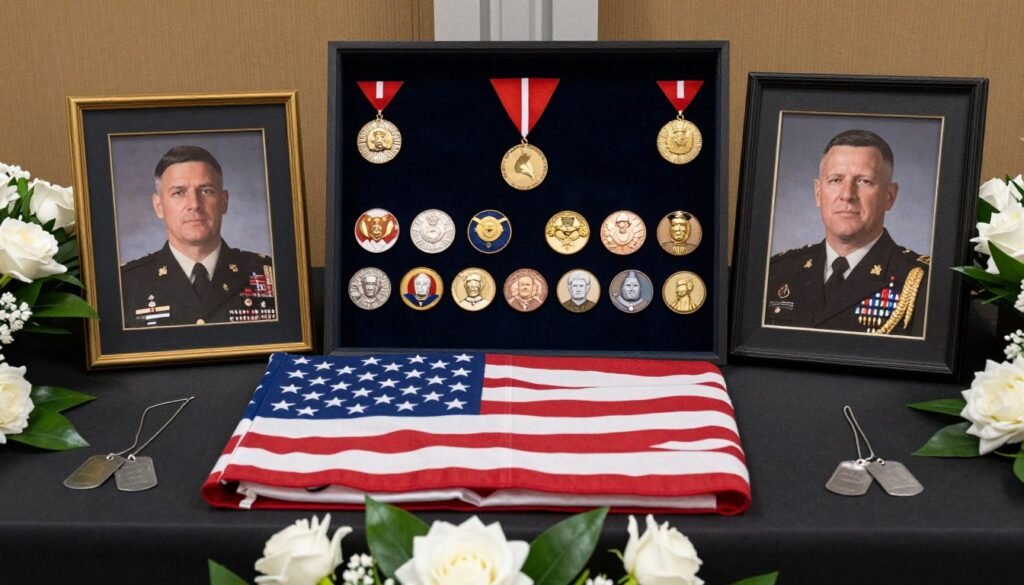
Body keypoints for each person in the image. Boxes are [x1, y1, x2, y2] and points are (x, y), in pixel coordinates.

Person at [765, 129, 930, 335]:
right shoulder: (778, 272)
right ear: (818, 192)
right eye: (836, 180)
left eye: (864, 181)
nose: (847, 194)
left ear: (889, 196)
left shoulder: (922, 283)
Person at [120, 145, 274, 327]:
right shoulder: (126, 284)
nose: (194, 204)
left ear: (224, 201)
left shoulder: (269, 275)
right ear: (158, 206)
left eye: (206, 191)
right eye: (178, 193)